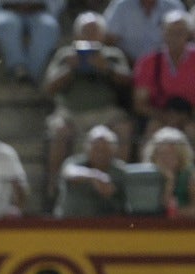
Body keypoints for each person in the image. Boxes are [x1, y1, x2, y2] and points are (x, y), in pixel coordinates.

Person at [44, 12, 135, 189]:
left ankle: (119, 184)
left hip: (106, 112)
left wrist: (107, 68)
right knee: (59, 131)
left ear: (103, 35)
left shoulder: (112, 54)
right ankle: (54, 187)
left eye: (94, 32)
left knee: (124, 128)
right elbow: (49, 88)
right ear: (76, 35)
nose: (90, 36)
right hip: (70, 113)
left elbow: (128, 82)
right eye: (86, 32)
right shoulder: (65, 55)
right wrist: (70, 69)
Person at [132, 11, 195, 168]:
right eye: (170, 32)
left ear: (189, 35)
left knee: (193, 131)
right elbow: (140, 103)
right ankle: (147, 176)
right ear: (163, 34)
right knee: (153, 129)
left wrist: (185, 117)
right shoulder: (147, 61)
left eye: (180, 32)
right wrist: (165, 117)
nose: (174, 37)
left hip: (193, 116)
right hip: (159, 115)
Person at [0, 0, 65, 83]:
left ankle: (33, 74)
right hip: (6, 11)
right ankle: (18, 68)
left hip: (40, 12)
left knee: (49, 26)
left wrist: (44, 7)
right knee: (4, 23)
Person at [56, 124, 129, 215]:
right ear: (87, 148)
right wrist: (94, 176)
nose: (100, 154)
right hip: (71, 221)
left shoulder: (119, 170)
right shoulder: (74, 163)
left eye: (104, 150)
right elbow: (68, 172)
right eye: (96, 149)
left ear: (113, 150)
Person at [142, 124, 195, 215]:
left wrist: (175, 212)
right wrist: (169, 182)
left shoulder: (191, 174)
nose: (166, 159)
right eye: (162, 154)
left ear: (181, 155)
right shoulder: (148, 174)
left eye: (171, 154)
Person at [102, 0, 188, 67]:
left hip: (166, 68)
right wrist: (128, 61)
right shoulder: (121, 6)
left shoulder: (173, 6)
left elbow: (185, 39)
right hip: (128, 68)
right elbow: (108, 40)